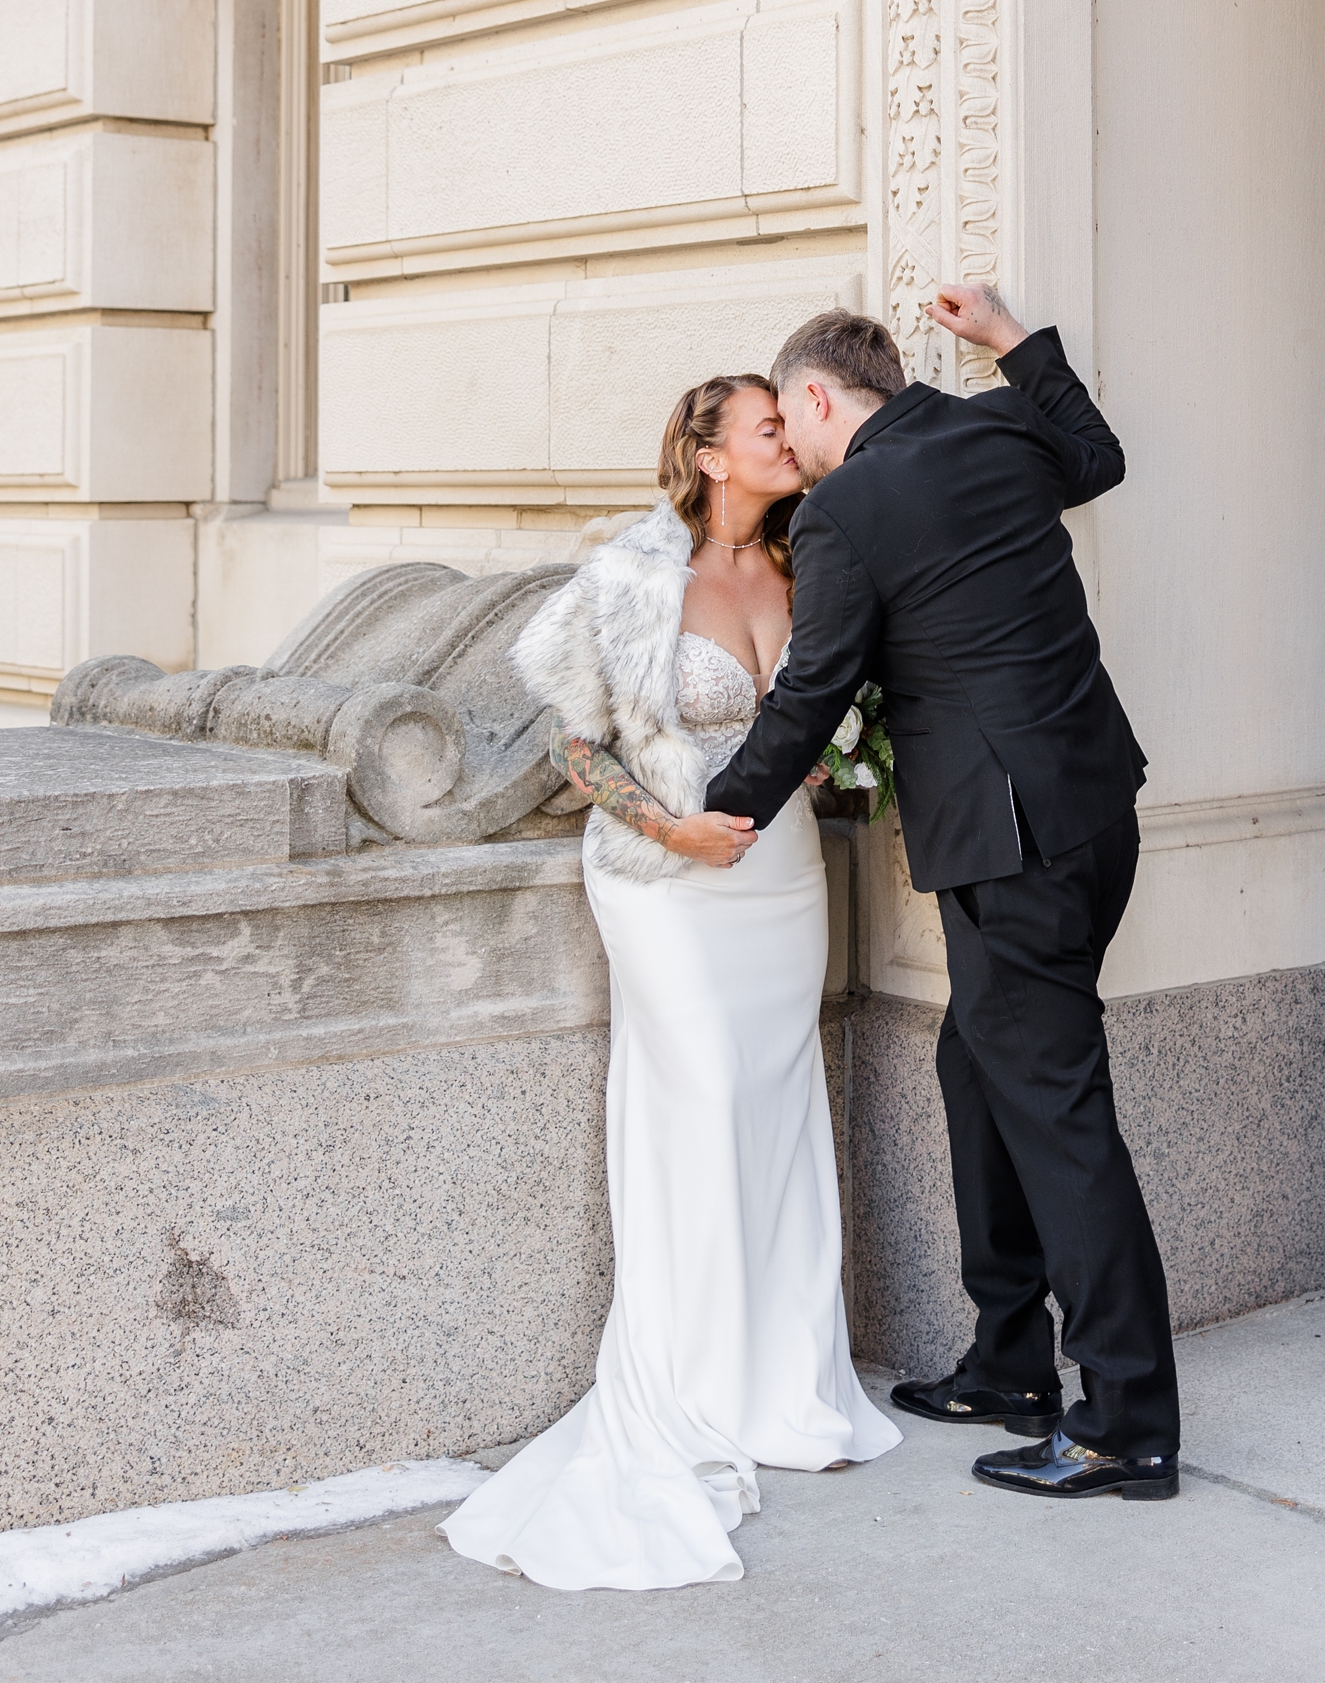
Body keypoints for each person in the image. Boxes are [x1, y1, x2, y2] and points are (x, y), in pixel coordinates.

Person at [703, 288, 1181, 1503]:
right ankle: (1009, 1361)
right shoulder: (998, 427)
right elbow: (1100, 455)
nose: (795, 455)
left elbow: (811, 692)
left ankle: (1126, 1421)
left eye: (792, 425)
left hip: (1011, 848)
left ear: (817, 397)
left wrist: (725, 807)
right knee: (980, 1068)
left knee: (1061, 1120)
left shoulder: (845, 508)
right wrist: (1016, 344)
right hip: (1094, 811)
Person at [440, 374, 899, 1592]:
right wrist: (671, 827)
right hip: (664, 880)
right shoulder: (633, 575)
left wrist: (823, 771)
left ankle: (779, 1384)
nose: (787, 441)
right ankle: (687, 1388)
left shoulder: (814, 562)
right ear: (708, 454)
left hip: (782, 874)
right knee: (699, 1099)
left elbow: (827, 705)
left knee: (778, 1102)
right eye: (765, 428)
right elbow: (573, 746)